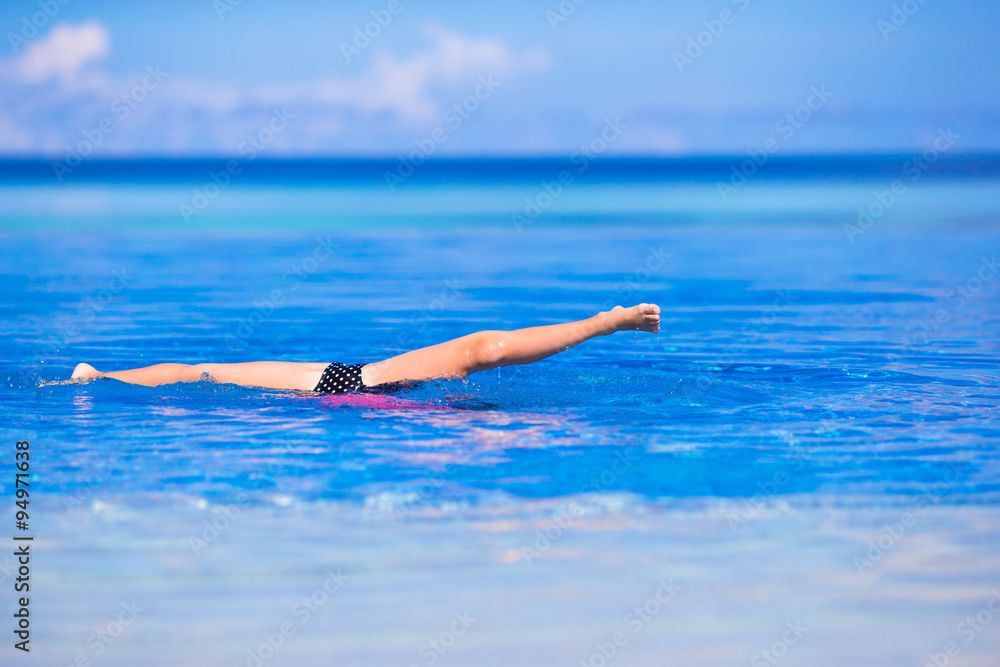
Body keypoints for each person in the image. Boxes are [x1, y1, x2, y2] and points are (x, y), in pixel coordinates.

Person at [68, 303, 661, 394]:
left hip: (353, 391)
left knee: (206, 373)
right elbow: (485, 350)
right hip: (360, 386)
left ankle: (97, 378)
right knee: (205, 372)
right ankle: (99, 378)